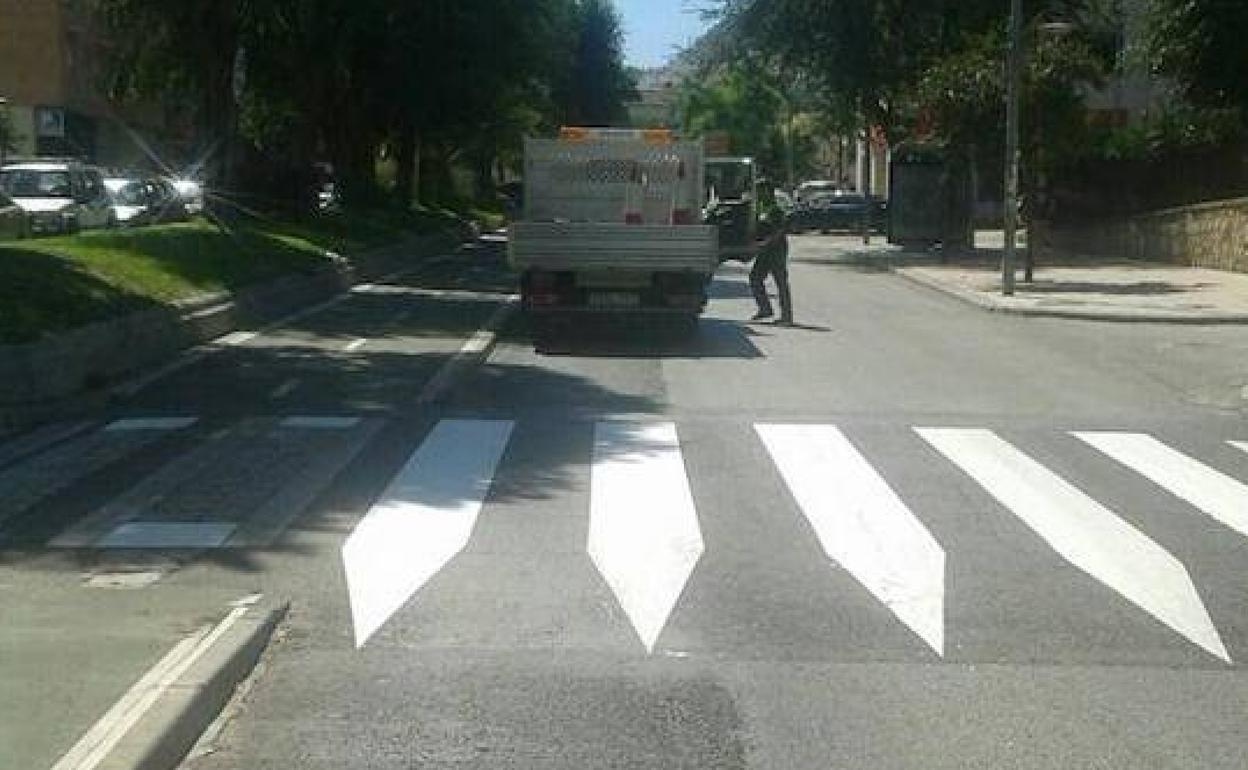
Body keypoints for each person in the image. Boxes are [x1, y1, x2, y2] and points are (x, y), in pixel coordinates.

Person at [749, 180, 793, 325]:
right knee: (755, 278)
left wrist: (766, 242)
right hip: (765, 249)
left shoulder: (776, 207)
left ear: (768, 191)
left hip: (776, 248)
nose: (758, 193)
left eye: (761, 190)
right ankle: (765, 309)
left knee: (780, 281)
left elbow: (781, 230)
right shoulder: (762, 206)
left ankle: (786, 316)